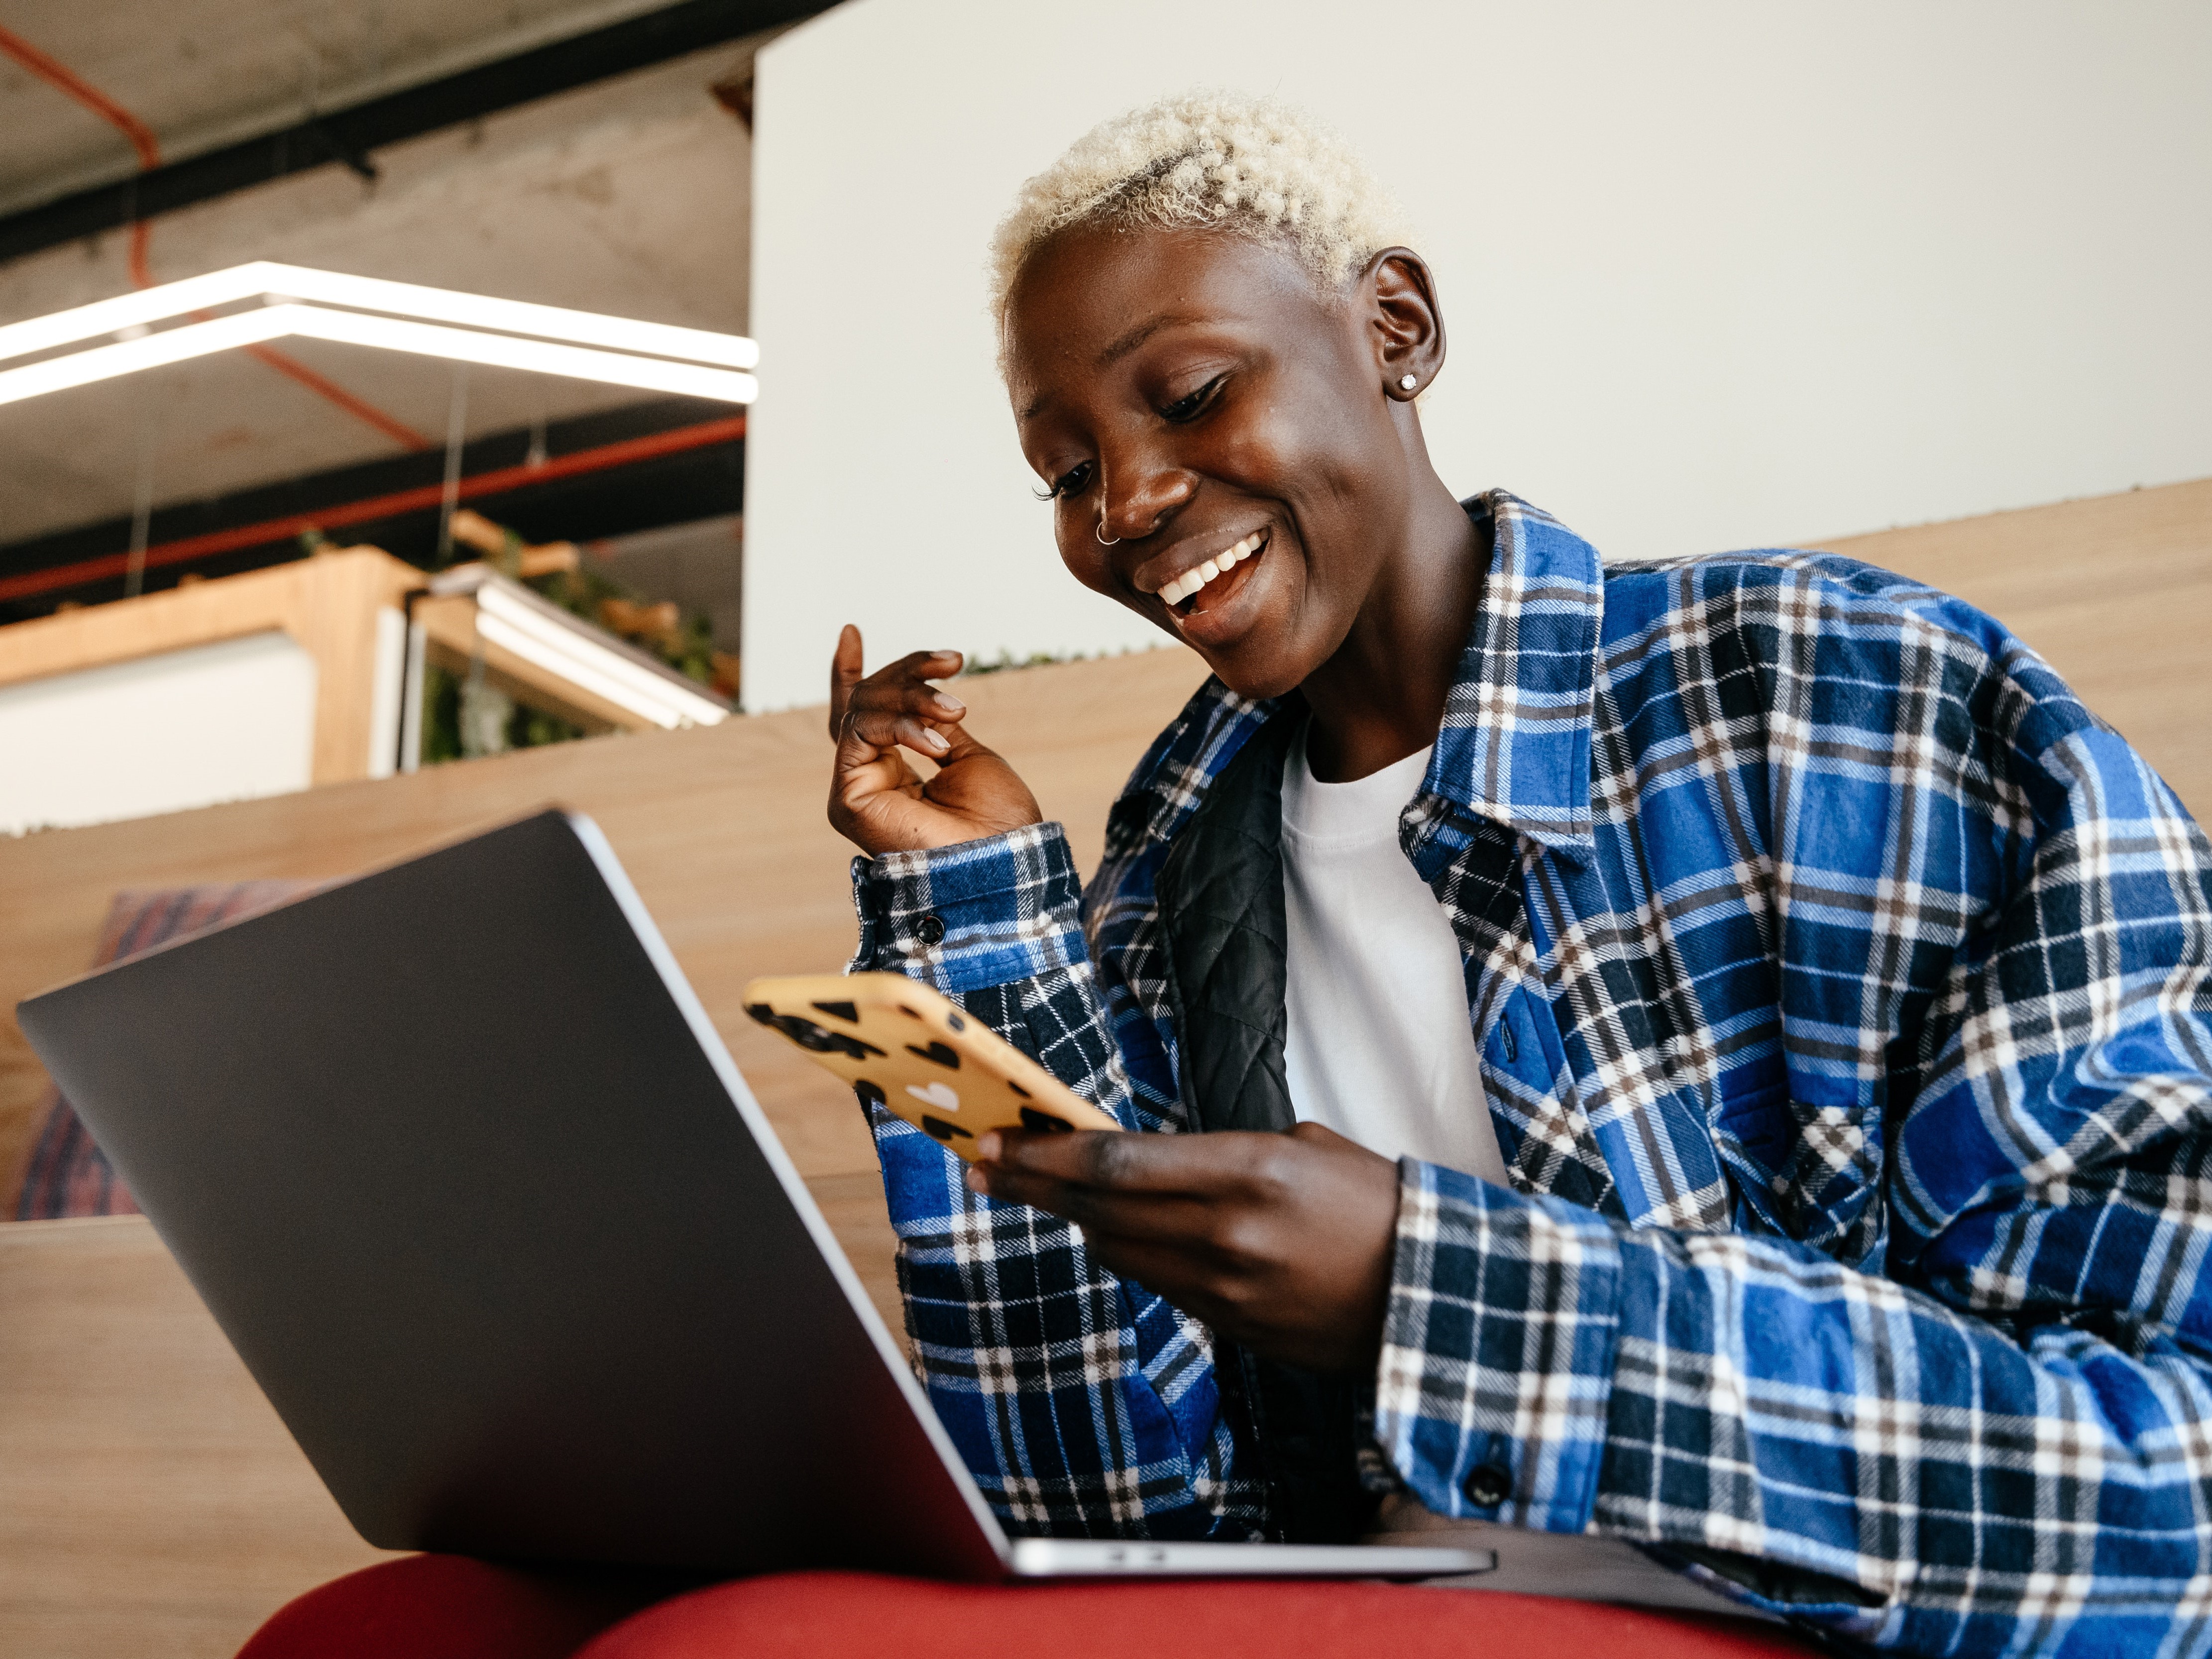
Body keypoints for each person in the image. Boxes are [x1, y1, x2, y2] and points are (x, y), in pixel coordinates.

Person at [822, 91, 2212, 1654]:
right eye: (1067, 475)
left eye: (1194, 394)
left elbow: (2168, 1497)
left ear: (1394, 328)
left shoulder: (1853, 700)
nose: (1128, 504)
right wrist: (981, 919)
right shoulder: (1161, 869)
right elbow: (1098, 1520)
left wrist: (1440, 1295)